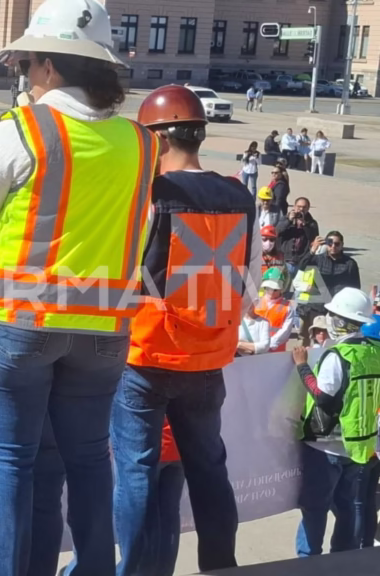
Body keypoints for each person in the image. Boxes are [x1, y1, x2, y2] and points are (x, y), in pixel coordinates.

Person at [0, 1, 160, 572]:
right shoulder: (141, 142)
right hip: (104, 329)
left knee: (10, 463)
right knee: (89, 461)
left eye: (28, 64)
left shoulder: (25, 127)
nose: (25, 76)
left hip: (17, 325)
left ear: (50, 67)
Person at [110, 85, 259, 576]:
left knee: (136, 473)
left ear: (155, 138)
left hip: (147, 356)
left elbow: (123, 276)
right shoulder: (240, 196)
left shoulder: (150, 196)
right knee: (210, 470)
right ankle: (220, 565)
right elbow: (250, 282)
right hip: (209, 360)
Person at [292, 287, 380, 556]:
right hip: (357, 445)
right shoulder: (373, 352)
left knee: (315, 507)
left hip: (325, 446)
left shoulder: (337, 355)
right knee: (348, 506)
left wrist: (302, 366)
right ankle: (343, 561)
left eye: (332, 315)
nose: (329, 320)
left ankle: (309, 563)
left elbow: (323, 398)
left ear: (342, 320)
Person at [295, 230, 361, 344]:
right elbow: (302, 266)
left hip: (337, 310)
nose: (333, 246)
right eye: (330, 243)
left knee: (333, 339)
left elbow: (355, 288)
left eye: (337, 244)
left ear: (342, 245)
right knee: (313, 338)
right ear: (326, 244)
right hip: (317, 307)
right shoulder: (318, 259)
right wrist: (312, 250)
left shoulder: (350, 264)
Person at [255, 273, 296, 352]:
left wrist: (270, 344)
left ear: (281, 289)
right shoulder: (256, 303)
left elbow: (286, 330)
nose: (271, 292)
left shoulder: (287, 307)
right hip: (256, 347)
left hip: (275, 350)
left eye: (275, 289)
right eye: (268, 288)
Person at [278, 197, 319, 266]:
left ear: (308, 208)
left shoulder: (312, 223)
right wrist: (289, 221)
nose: (301, 209)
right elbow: (278, 231)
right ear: (294, 206)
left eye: (304, 207)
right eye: (299, 206)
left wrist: (305, 226)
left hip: (301, 260)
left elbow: (313, 239)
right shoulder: (285, 218)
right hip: (285, 258)